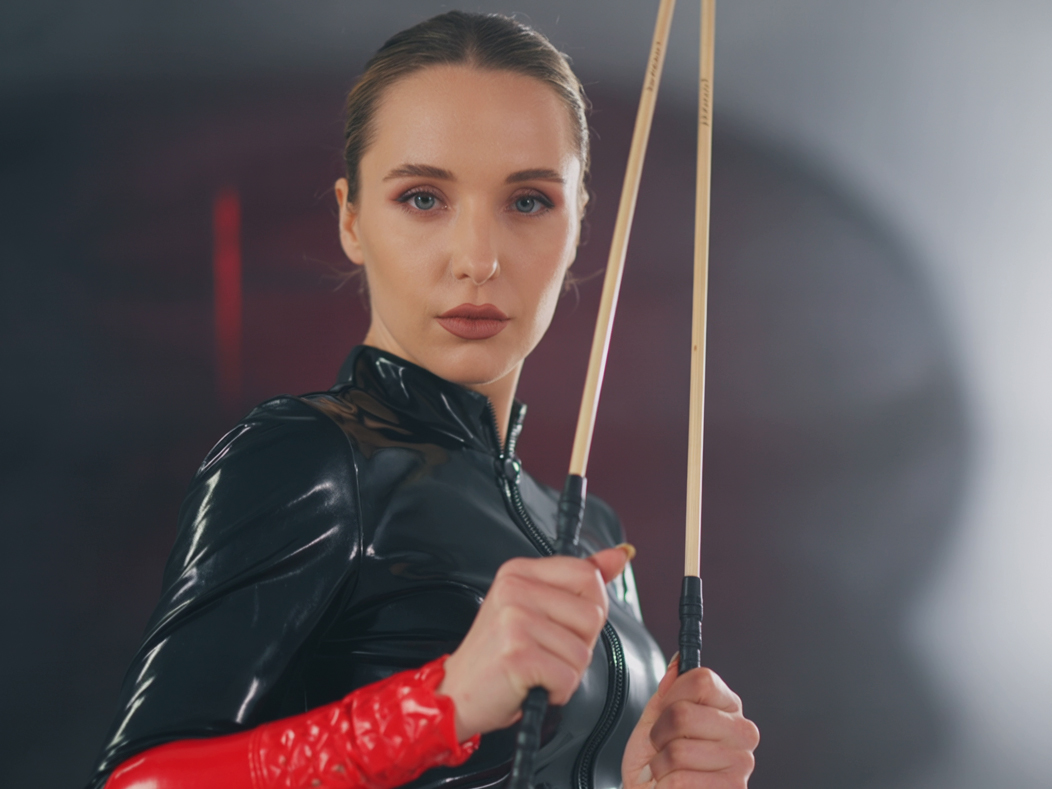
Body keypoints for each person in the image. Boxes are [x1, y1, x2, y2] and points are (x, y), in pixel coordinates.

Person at [88, 11, 759, 789]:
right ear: (351, 218)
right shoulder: (306, 460)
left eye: (529, 201)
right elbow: (138, 781)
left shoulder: (593, 533)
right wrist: (442, 702)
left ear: (579, 223)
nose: (477, 259)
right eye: (422, 197)